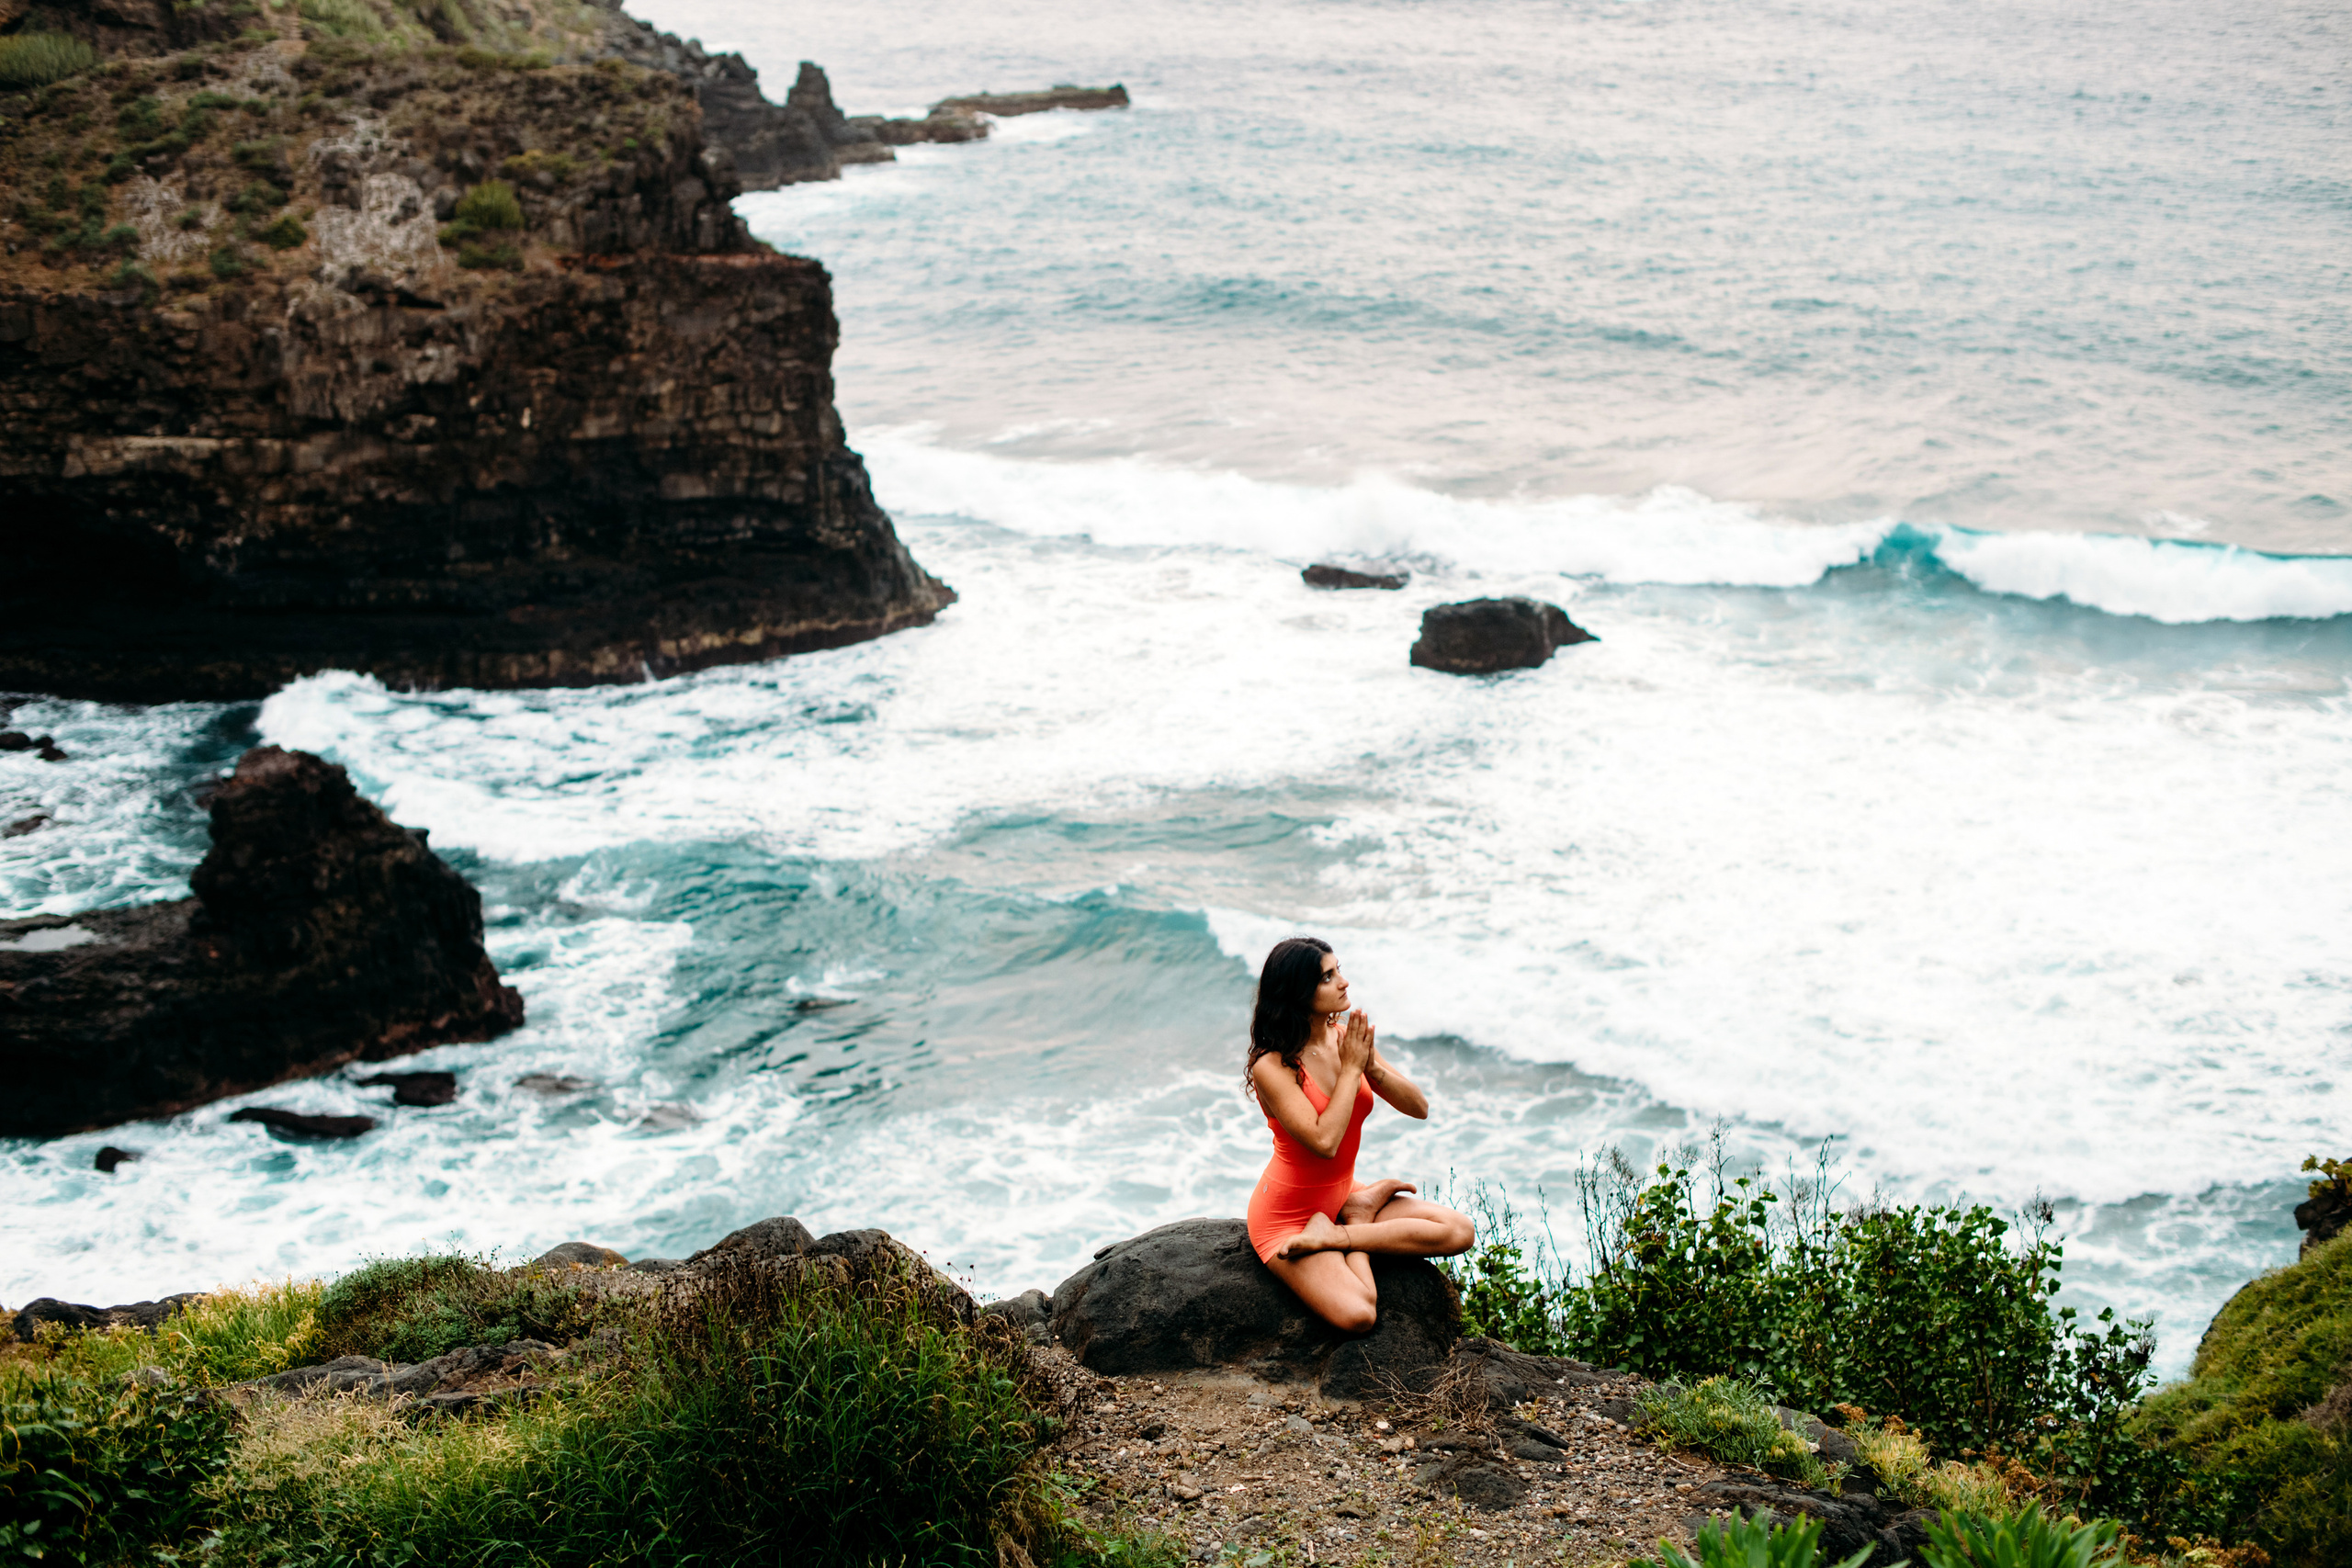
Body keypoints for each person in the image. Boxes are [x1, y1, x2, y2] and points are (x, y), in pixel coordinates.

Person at [1244, 936, 1475, 1332]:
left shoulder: (1346, 1036)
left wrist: (1372, 1068)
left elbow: (1419, 1108)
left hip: (1343, 1191)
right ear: (1298, 992)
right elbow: (1324, 1143)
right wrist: (1352, 1069)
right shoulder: (1274, 1065)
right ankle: (1349, 1227)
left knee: (1459, 1231)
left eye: (1339, 970)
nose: (1343, 982)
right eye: (1327, 977)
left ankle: (1344, 1227)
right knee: (1360, 1314)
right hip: (1288, 1216)